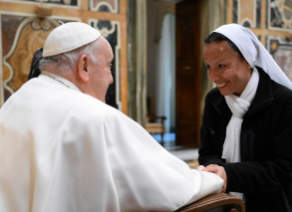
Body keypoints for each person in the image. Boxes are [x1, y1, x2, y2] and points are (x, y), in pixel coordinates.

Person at [0, 22, 224, 212]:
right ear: (84, 66)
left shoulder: (17, 101)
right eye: (109, 66)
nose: (111, 79)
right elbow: (159, 187)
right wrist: (211, 179)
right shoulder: (93, 116)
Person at [198, 24, 292, 212]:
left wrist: (229, 175)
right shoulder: (214, 100)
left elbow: (284, 169)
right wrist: (215, 170)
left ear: (247, 60)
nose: (213, 76)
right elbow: (207, 152)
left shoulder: (283, 101)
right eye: (208, 67)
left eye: (222, 66)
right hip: (228, 204)